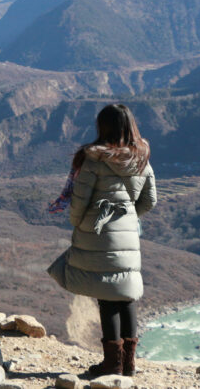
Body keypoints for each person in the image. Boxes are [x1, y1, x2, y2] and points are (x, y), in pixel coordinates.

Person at [50, 103, 157, 378]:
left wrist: (79, 223)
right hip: (127, 233)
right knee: (126, 294)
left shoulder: (93, 159)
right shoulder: (142, 158)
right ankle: (129, 363)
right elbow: (149, 200)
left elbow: (79, 199)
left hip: (97, 231)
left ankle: (112, 364)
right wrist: (129, 218)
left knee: (107, 296)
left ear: (103, 127)